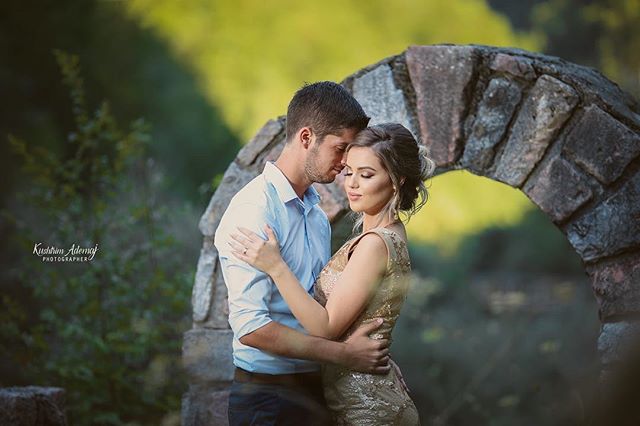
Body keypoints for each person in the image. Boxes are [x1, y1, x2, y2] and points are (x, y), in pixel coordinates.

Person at [231, 123, 436, 425]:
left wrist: (276, 267)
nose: (351, 184)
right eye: (349, 172)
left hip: (365, 407)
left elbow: (324, 328)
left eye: (366, 175)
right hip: (355, 393)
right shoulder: (391, 233)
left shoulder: (375, 244)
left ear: (396, 181)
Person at [214, 81, 392, 426]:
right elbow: (251, 328)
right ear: (307, 137)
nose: (344, 163)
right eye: (340, 149)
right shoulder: (253, 211)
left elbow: (316, 305)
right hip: (267, 399)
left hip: (314, 389)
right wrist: (344, 355)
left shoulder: (315, 212)